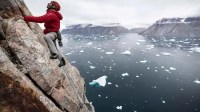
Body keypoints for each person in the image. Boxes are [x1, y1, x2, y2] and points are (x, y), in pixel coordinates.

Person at [22, 1, 65, 67]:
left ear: (53, 6)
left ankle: (54, 54)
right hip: (54, 33)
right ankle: (61, 61)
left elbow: (40, 19)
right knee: (55, 47)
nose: (48, 4)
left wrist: (25, 18)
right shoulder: (53, 14)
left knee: (46, 37)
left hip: (52, 33)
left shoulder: (52, 14)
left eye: (50, 3)